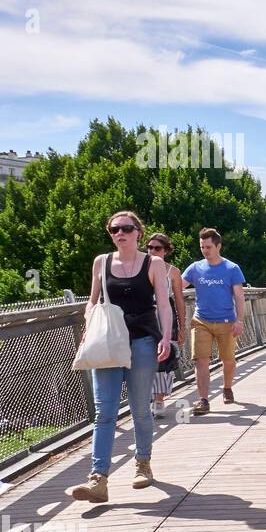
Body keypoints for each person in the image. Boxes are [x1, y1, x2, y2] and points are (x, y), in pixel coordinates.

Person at [67, 211, 173, 503]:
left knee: (140, 407)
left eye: (126, 228)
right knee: (105, 412)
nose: (120, 233)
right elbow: (92, 302)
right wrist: (88, 328)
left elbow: (163, 305)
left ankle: (143, 464)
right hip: (109, 343)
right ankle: (98, 479)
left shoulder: (154, 263)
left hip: (141, 339)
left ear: (138, 232)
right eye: (114, 229)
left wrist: (165, 336)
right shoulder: (101, 262)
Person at [182, 227, 246, 413]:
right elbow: (178, 285)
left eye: (208, 247)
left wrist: (239, 320)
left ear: (218, 246)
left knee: (228, 360)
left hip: (226, 321)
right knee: (201, 360)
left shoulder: (231, 268)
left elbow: (239, 296)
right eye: (202, 247)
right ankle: (203, 400)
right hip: (201, 321)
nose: (205, 250)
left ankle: (227, 387)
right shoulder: (195, 268)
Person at [145, 233, 186, 421]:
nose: (153, 251)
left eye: (157, 248)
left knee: (163, 358)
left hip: (165, 316)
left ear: (166, 251)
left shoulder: (173, 272)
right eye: (150, 247)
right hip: (143, 315)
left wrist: (182, 326)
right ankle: (145, 399)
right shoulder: (139, 267)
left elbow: (179, 300)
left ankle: (159, 401)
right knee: (142, 356)